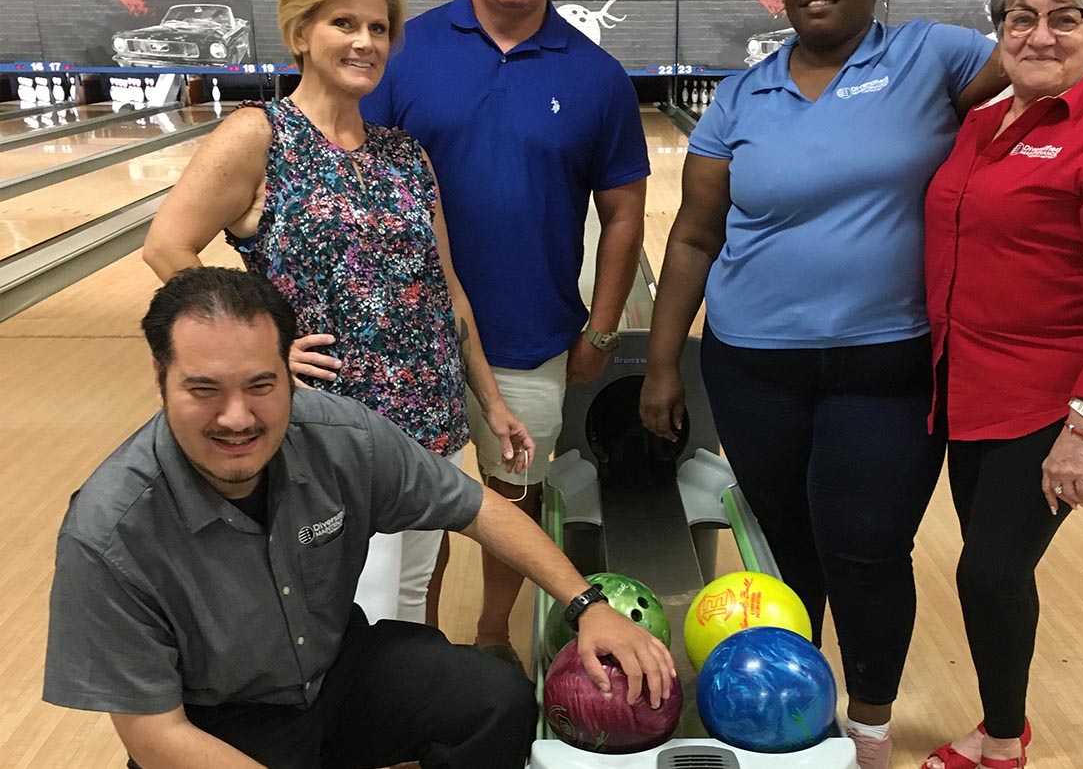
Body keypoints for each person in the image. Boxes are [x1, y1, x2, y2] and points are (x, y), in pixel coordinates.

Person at [638, 0, 1083, 769]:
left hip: (888, 365)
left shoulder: (932, 54)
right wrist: (662, 365)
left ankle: (869, 728)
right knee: (788, 547)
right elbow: (693, 235)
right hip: (753, 365)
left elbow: (1045, 69)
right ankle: (790, 710)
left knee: (867, 548)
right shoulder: (739, 94)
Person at [43, 267, 675, 769]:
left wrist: (586, 606)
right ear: (161, 377)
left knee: (493, 698)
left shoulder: (339, 436)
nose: (237, 417)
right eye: (204, 389)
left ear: (288, 372)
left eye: (261, 385)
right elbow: (155, 736)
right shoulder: (110, 530)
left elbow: (478, 508)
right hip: (217, 725)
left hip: (337, 674)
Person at [142, 0, 534, 628]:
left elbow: (446, 289)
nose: (365, 42)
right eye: (343, 23)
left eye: (379, 28)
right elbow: (166, 247)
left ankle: (404, 699)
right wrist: (260, 354)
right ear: (301, 33)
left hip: (430, 416)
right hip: (331, 425)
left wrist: (492, 403)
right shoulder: (261, 135)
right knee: (353, 610)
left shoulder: (405, 155)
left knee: (409, 601)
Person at [360, 0, 650, 666]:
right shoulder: (404, 53)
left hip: (531, 332)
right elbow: (356, 176)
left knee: (512, 492)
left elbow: (625, 211)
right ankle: (414, 648)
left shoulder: (596, 75)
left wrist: (602, 325)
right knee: (412, 508)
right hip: (409, 337)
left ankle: (492, 634)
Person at [921, 0, 1083, 769]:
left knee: (989, 572)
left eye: (1066, 18)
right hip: (969, 385)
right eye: (1022, 18)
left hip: (1057, 398)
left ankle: (1001, 742)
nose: (1040, 35)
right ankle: (1007, 722)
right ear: (1000, 31)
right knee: (996, 568)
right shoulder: (981, 122)